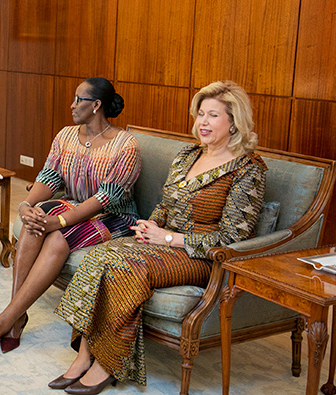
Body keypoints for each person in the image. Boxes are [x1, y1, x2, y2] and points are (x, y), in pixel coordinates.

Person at [51, 80, 267, 394]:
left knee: (127, 266)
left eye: (213, 116)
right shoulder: (188, 155)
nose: (202, 123)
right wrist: (147, 227)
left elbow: (234, 236)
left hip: (199, 256)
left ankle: (108, 363)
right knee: (102, 254)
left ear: (234, 123)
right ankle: (84, 354)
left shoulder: (248, 168)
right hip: (162, 241)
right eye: (200, 114)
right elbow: (165, 205)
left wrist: (169, 239)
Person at [0, 77, 141, 354]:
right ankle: (16, 317)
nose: (72, 105)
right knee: (33, 219)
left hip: (113, 215)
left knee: (58, 238)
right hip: (73, 204)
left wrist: (58, 221)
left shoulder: (125, 145)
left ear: (96, 105)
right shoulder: (66, 135)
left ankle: (6, 319)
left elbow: (104, 198)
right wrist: (26, 206)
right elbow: (49, 177)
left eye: (78, 99)